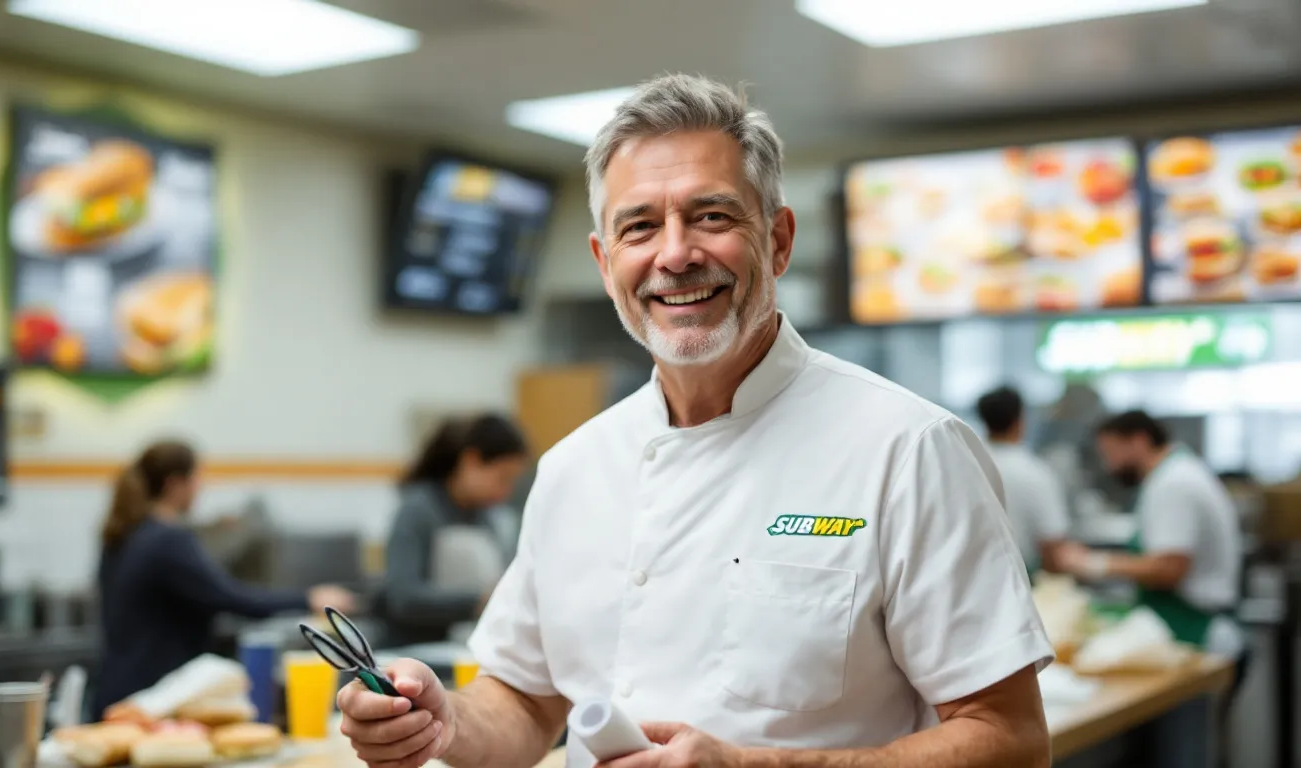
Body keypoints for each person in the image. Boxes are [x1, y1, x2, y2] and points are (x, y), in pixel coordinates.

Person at [338, 74, 1052, 768]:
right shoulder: (572, 469)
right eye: (640, 226)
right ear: (604, 260)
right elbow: (525, 703)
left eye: (711, 215)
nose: (675, 254)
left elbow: (1010, 741)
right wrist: (442, 722)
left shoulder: (909, 450)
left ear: (777, 240)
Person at [92, 440, 356, 719]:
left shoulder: (127, 533)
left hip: (116, 689)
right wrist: (308, 598)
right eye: (196, 478)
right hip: (150, 699)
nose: (200, 487)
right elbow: (233, 598)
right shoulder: (168, 540)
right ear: (174, 484)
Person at [1054, 411, 1244, 656]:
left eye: (1111, 453)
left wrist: (1093, 564)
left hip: (1197, 629)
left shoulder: (1173, 483)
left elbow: (1169, 568)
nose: (1109, 465)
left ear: (1139, 441)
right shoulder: (1176, 472)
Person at [377, 414, 528, 647]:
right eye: (502, 478)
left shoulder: (490, 519)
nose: (505, 491)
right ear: (471, 461)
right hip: (414, 650)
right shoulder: (418, 510)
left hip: (467, 645)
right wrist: (480, 600)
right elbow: (403, 597)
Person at [976, 385, 1071, 576]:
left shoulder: (967, 462)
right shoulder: (1034, 472)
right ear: (1020, 420)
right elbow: (1051, 545)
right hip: (1019, 580)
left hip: (970, 581)